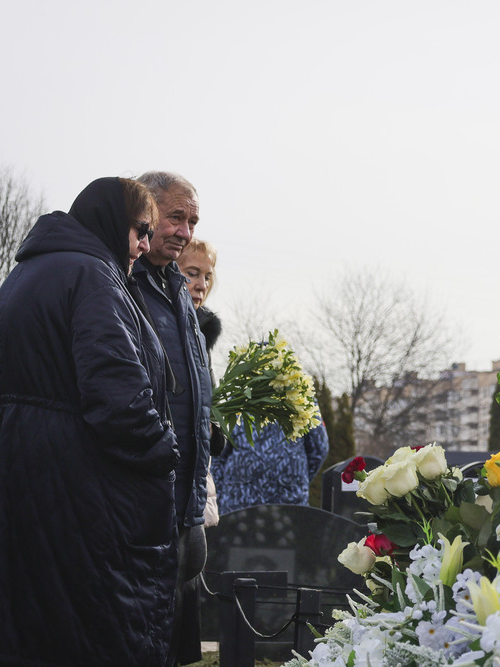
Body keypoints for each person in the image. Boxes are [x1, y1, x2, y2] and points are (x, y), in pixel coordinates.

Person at [0, 178, 178, 667]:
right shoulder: (94, 277)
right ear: (113, 223)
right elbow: (117, 399)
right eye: (141, 229)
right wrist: (165, 451)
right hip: (82, 502)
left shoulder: (22, 277)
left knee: (19, 640)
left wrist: (9, 454)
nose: (144, 244)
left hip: (14, 495)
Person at [134, 172, 214, 667]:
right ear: (144, 212)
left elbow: (191, 390)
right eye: (175, 217)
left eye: (193, 221)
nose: (184, 231)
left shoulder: (176, 290)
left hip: (184, 499)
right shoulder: (121, 280)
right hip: (142, 500)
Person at [177, 238, 222, 527]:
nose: (201, 285)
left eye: (207, 276)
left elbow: (211, 406)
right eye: (191, 273)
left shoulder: (201, 334)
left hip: (195, 482)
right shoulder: (159, 326)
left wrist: (214, 427)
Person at [212, 419, 329, 513]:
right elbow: (217, 453)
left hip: (288, 505)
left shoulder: (301, 398)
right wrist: (221, 495)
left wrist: (296, 482)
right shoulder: (237, 398)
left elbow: (319, 449)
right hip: (239, 505)